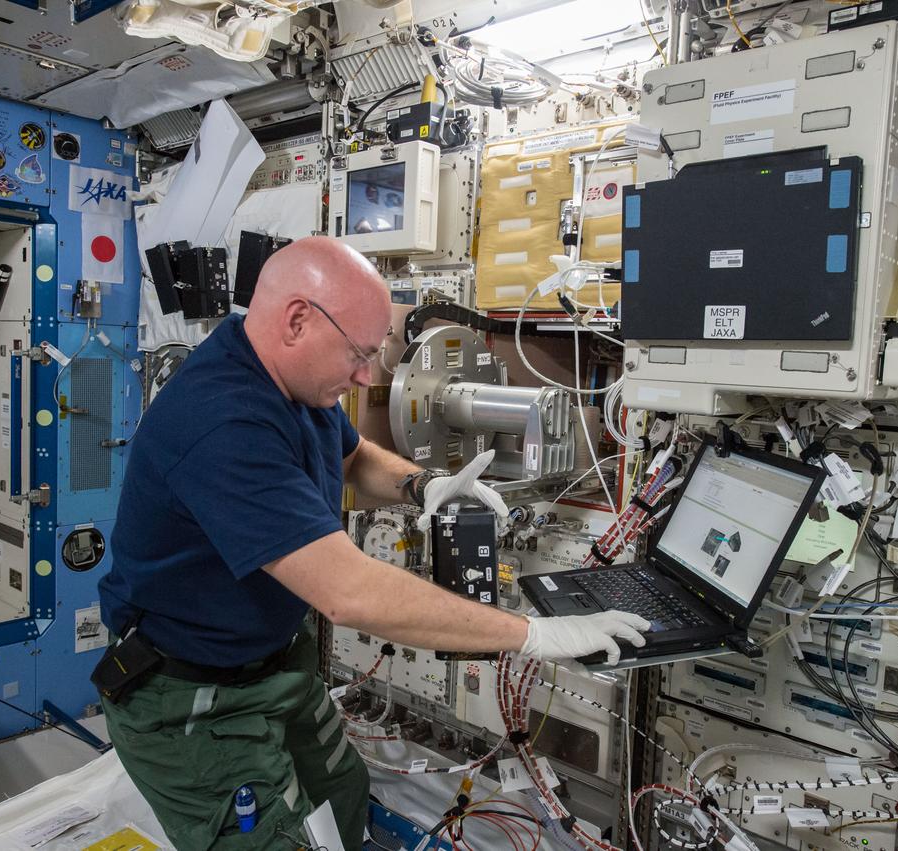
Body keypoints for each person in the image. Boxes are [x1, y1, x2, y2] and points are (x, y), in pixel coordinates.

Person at [97, 236, 648, 850]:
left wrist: (424, 485)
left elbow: (353, 454)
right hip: (191, 697)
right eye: (357, 354)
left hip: (274, 666)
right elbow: (350, 593)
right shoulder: (222, 421)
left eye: (373, 352)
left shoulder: (284, 373)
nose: (366, 375)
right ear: (297, 320)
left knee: (343, 796)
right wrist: (532, 635)